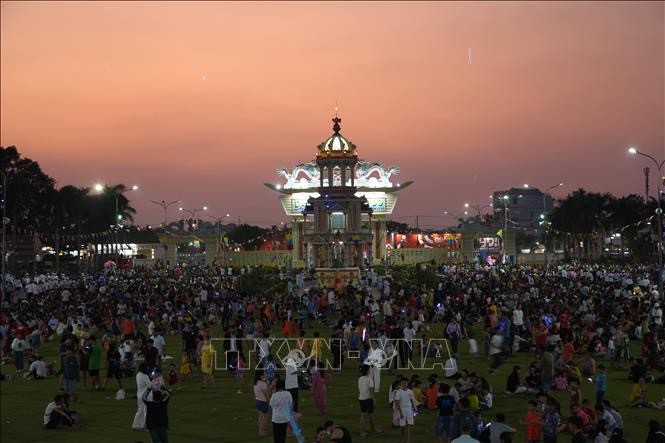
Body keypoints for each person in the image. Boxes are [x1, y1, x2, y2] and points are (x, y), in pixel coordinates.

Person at [358, 364, 380, 436]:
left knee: (363, 415)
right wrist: (374, 399)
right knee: (370, 415)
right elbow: (371, 391)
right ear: (368, 371)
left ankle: (362, 431)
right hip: (368, 399)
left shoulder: (360, 378)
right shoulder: (369, 379)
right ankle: (372, 429)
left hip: (361, 398)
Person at [269, 379, 293, 443]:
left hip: (276, 419)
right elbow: (290, 403)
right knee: (283, 436)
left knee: (277, 437)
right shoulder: (288, 394)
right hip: (284, 418)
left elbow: (271, 405)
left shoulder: (275, 395)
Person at [394, 377, 416, 443]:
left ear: (407, 383)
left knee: (410, 424)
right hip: (402, 409)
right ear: (400, 383)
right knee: (402, 425)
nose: (404, 384)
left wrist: (414, 410)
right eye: (402, 383)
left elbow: (412, 400)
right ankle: (403, 438)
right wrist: (400, 413)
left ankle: (408, 440)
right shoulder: (398, 392)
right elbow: (397, 403)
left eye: (405, 383)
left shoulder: (410, 391)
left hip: (409, 409)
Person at [132, 363, 152, 430]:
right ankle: (147, 426)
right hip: (145, 395)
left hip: (139, 395)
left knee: (140, 410)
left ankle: (136, 425)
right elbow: (150, 386)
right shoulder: (145, 376)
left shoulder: (138, 375)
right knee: (147, 411)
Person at [254, 370, 271, 437]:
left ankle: (262, 430)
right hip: (263, 401)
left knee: (260, 417)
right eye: (264, 373)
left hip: (257, 400)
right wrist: (269, 400)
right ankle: (261, 431)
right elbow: (266, 393)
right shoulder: (262, 383)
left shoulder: (256, 383)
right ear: (261, 376)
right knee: (264, 417)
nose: (265, 374)